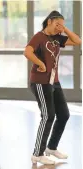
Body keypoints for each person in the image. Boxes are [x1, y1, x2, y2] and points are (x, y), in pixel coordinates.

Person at [24, 11, 81, 165]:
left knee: (63, 114)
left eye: (61, 25)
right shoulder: (39, 37)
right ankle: (37, 154)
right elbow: (27, 51)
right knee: (48, 115)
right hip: (40, 82)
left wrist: (65, 29)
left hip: (53, 81)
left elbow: (77, 41)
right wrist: (41, 63)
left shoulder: (57, 38)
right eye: (57, 24)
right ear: (49, 21)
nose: (59, 27)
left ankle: (51, 147)